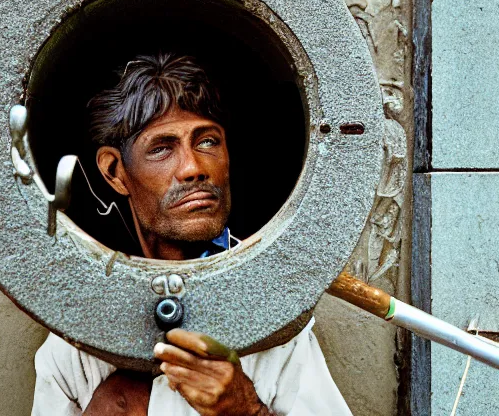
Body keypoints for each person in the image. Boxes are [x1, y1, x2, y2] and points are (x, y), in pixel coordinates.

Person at [31, 53, 352, 415]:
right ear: (114, 171)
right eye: (162, 148)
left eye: (207, 142)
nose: (193, 168)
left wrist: (245, 409)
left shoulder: (272, 318)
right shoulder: (75, 337)